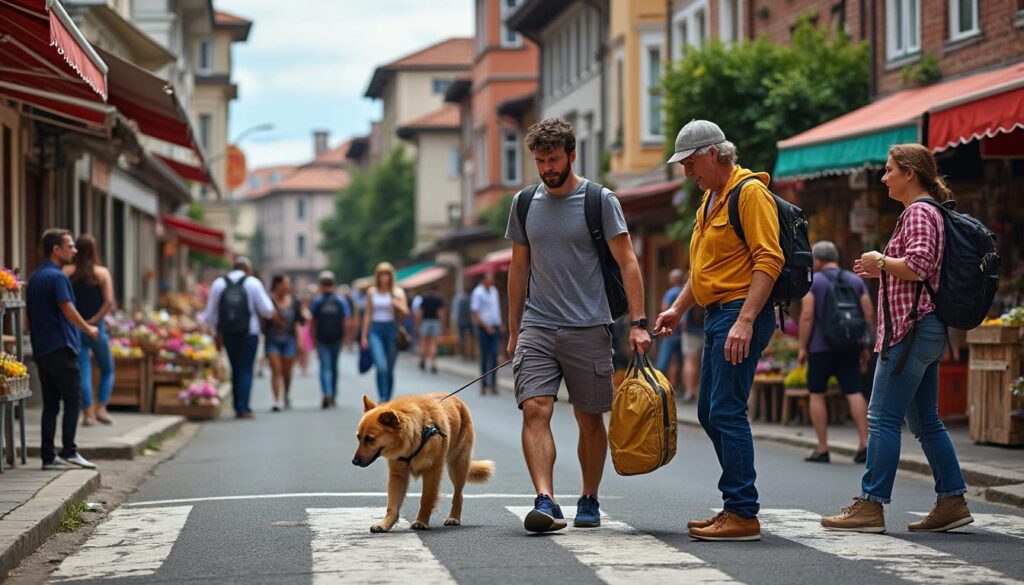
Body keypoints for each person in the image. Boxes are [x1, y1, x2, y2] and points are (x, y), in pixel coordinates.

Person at [506, 117, 652, 533]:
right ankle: (545, 499)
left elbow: (628, 262)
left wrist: (638, 323)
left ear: (572, 155)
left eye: (553, 159)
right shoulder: (524, 203)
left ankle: (589, 496)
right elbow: (518, 268)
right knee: (535, 408)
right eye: (540, 161)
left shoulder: (599, 200)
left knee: (589, 419)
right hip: (538, 325)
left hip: (589, 326)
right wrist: (514, 330)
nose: (547, 168)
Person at [822, 144, 973, 534]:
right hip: (925, 328)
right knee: (925, 421)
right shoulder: (929, 211)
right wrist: (884, 270)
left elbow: (920, 266)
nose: (884, 177)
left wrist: (881, 260)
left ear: (910, 173)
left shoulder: (920, 212)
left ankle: (871, 504)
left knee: (882, 418)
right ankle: (952, 500)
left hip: (910, 329)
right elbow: (920, 269)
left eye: (890, 170)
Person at [655, 120, 784, 541]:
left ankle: (742, 511)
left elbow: (769, 259)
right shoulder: (710, 200)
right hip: (715, 315)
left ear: (714, 154)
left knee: (726, 410)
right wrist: (677, 309)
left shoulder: (750, 193)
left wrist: (745, 320)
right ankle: (736, 505)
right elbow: (703, 270)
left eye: (690, 163)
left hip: (739, 313)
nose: (686, 172)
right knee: (710, 412)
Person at [26, 229, 99, 470]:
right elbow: (68, 309)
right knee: (73, 398)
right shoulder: (57, 277)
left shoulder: (35, 277)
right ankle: (69, 450)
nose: (74, 251)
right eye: (70, 246)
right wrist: (88, 328)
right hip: (61, 346)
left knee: (50, 405)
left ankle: (48, 457)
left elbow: (28, 319)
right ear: (56, 250)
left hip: (41, 349)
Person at [798, 241, 872, 463]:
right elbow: (868, 315)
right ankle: (865, 444)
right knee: (854, 391)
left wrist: (802, 347)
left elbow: (807, 315)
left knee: (817, 394)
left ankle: (822, 448)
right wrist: (864, 344)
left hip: (820, 348)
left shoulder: (813, 282)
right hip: (849, 346)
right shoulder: (856, 280)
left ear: (818, 260)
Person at [202, 257, 276, 419]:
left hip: (228, 332)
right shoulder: (253, 283)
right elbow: (268, 310)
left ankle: (237, 404)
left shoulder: (219, 284)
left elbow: (209, 314)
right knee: (246, 369)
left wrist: (216, 333)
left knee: (235, 367)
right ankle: (243, 407)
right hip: (249, 332)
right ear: (247, 269)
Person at [63, 235, 115, 426]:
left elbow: (64, 300)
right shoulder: (102, 273)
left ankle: (88, 413)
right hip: (97, 327)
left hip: (75, 327)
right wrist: (94, 320)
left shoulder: (67, 271)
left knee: (83, 370)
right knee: (107, 369)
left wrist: (79, 321)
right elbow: (109, 301)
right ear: (95, 251)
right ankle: (102, 408)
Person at [361, 262, 409, 402]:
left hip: (392, 329)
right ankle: (382, 397)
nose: (384, 278)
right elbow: (368, 314)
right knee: (380, 366)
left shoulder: (397, 292)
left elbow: (406, 311)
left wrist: (397, 303)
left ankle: (388, 397)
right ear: (377, 276)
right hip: (375, 330)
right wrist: (364, 336)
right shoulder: (372, 292)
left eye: (387, 274)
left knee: (389, 368)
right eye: (381, 274)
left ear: (391, 276)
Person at [310, 271, 353, 409]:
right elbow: (346, 319)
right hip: (337, 337)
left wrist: (312, 337)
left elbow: (313, 321)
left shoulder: (317, 301)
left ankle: (326, 393)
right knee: (334, 367)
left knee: (324, 367)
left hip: (321, 338)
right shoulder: (340, 300)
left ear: (321, 285)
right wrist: (347, 337)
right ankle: (332, 395)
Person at [265, 275, 304, 411]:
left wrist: (300, 340)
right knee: (276, 369)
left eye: (288, 283)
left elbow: (299, 320)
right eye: (285, 283)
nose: (288, 286)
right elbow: (263, 318)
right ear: (277, 285)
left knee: (286, 371)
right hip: (272, 340)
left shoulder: (294, 301)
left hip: (289, 340)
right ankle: (277, 399)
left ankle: (286, 393)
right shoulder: (268, 300)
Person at [471, 273, 503, 396]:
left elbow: (496, 309)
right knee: (485, 355)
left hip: (495, 326)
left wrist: (500, 323)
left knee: (494, 355)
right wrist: (485, 326)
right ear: (484, 280)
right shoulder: (478, 292)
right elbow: (475, 312)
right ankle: (484, 384)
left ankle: (493, 384)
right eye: (489, 279)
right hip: (484, 328)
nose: (491, 282)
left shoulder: (494, 291)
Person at [655, 269, 684, 388]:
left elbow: (664, 308)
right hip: (682, 332)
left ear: (673, 279)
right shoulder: (683, 292)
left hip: (670, 331)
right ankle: (673, 385)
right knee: (677, 361)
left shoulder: (670, 293)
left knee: (663, 360)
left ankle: (658, 385)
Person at [680, 297, 705, 403]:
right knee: (704, 361)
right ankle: (699, 391)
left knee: (689, 360)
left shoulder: (691, 291)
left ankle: (689, 391)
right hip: (706, 329)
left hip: (690, 331)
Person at [416, 285, 445, 373]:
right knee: (433, 344)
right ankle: (433, 364)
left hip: (425, 322)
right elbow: (441, 313)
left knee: (423, 343)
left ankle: (422, 361)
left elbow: (420, 313)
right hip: (435, 322)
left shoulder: (424, 300)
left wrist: (417, 324)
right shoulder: (438, 300)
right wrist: (442, 325)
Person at [453, 286, 475, 361]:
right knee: (472, 338)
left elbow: (458, 311)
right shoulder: (472, 299)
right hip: (470, 321)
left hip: (462, 321)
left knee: (462, 338)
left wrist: (457, 321)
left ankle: (464, 354)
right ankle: (472, 354)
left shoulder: (461, 299)